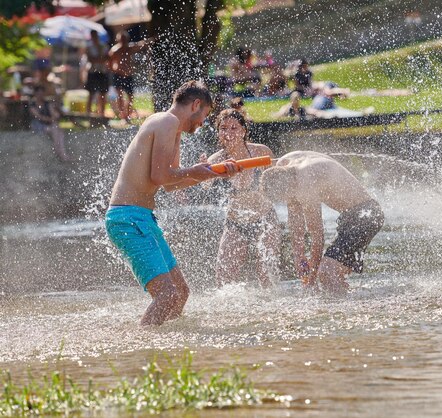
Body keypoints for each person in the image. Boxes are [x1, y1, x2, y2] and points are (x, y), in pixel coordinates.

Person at [105, 80, 241, 326]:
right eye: (205, 116)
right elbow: (160, 176)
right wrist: (198, 171)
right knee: (167, 295)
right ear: (196, 105)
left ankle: (169, 343)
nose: (202, 124)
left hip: (141, 218)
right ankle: (141, 344)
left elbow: (169, 184)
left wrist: (212, 174)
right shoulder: (165, 121)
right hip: (127, 218)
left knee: (180, 293)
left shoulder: (174, 129)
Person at [260, 151, 385, 294]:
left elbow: (318, 237)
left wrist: (311, 280)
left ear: (291, 187)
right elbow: (295, 219)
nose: (287, 202)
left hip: (367, 216)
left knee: (326, 273)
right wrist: (298, 256)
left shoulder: (306, 186)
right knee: (332, 274)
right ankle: (352, 299)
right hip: (351, 216)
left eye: (285, 199)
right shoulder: (285, 163)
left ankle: (348, 309)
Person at [203, 109, 280, 287]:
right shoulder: (216, 160)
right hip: (235, 223)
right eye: (223, 128)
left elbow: (278, 180)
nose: (228, 133)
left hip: (265, 220)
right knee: (223, 278)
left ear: (244, 131)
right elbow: (204, 186)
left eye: (234, 128)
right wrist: (204, 171)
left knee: (267, 278)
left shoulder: (260, 152)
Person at [109, 31, 148, 121]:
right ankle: (123, 116)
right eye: (122, 39)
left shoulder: (130, 48)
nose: (124, 41)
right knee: (120, 96)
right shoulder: (115, 50)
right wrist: (114, 69)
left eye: (125, 39)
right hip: (118, 75)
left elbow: (140, 44)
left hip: (128, 75)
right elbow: (109, 63)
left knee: (130, 96)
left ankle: (128, 115)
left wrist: (151, 40)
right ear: (119, 40)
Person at [29, 84, 71, 162]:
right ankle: (60, 153)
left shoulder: (47, 103)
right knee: (55, 129)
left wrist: (55, 116)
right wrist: (50, 119)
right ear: (35, 94)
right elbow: (38, 117)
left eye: (42, 93)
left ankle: (61, 152)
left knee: (59, 131)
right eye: (39, 93)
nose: (40, 95)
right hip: (38, 125)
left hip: (49, 124)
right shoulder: (32, 105)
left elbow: (54, 115)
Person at [83, 30, 110, 117]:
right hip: (93, 72)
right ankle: (89, 114)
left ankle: (102, 113)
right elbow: (91, 59)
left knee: (103, 94)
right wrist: (100, 59)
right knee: (91, 93)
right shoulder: (89, 47)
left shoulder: (103, 46)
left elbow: (106, 58)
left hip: (102, 71)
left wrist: (98, 59)